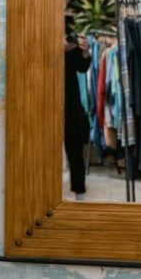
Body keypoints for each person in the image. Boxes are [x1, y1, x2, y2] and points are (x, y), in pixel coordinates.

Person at [64, 33, 91, 201]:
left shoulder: (71, 49)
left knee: (75, 150)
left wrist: (85, 51)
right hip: (48, 104)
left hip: (71, 105)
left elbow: (82, 66)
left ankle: (79, 191)